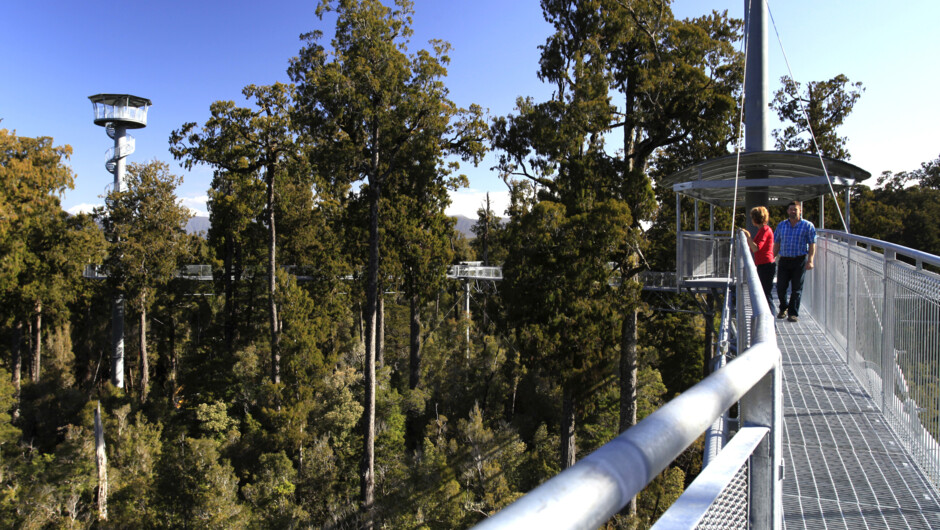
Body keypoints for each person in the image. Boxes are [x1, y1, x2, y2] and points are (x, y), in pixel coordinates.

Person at [773, 201, 816, 322]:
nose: (793, 211)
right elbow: (777, 243)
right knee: (781, 287)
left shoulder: (807, 226)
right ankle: (783, 308)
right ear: (788, 211)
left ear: (800, 211)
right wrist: (772, 257)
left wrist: (810, 260)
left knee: (796, 289)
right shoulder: (781, 225)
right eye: (791, 209)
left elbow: (812, 244)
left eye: (795, 209)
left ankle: (793, 313)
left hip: (799, 260)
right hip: (784, 260)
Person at [740, 206, 775, 311]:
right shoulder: (762, 230)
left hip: (766, 265)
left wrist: (748, 236)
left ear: (756, 218)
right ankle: (770, 315)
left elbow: (756, 248)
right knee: (764, 292)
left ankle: (771, 316)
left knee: (766, 293)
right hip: (763, 265)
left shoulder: (765, 230)